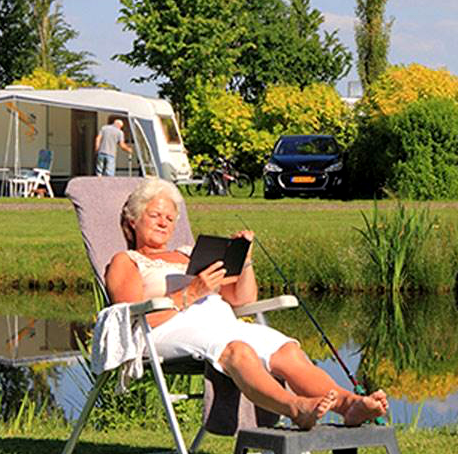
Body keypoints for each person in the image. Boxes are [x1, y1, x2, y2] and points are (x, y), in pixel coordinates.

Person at [105, 177, 388, 430]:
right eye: (155, 215)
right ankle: (295, 408)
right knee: (237, 350)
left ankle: (351, 405)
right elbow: (131, 317)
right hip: (166, 331)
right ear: (134, 220)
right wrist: (191, 292)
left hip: (222, 324)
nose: (164, 222)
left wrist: (244, 259)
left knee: (286, 349)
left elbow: (242, 299)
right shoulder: (125, 261)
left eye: (170, 217)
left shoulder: (188, 254)